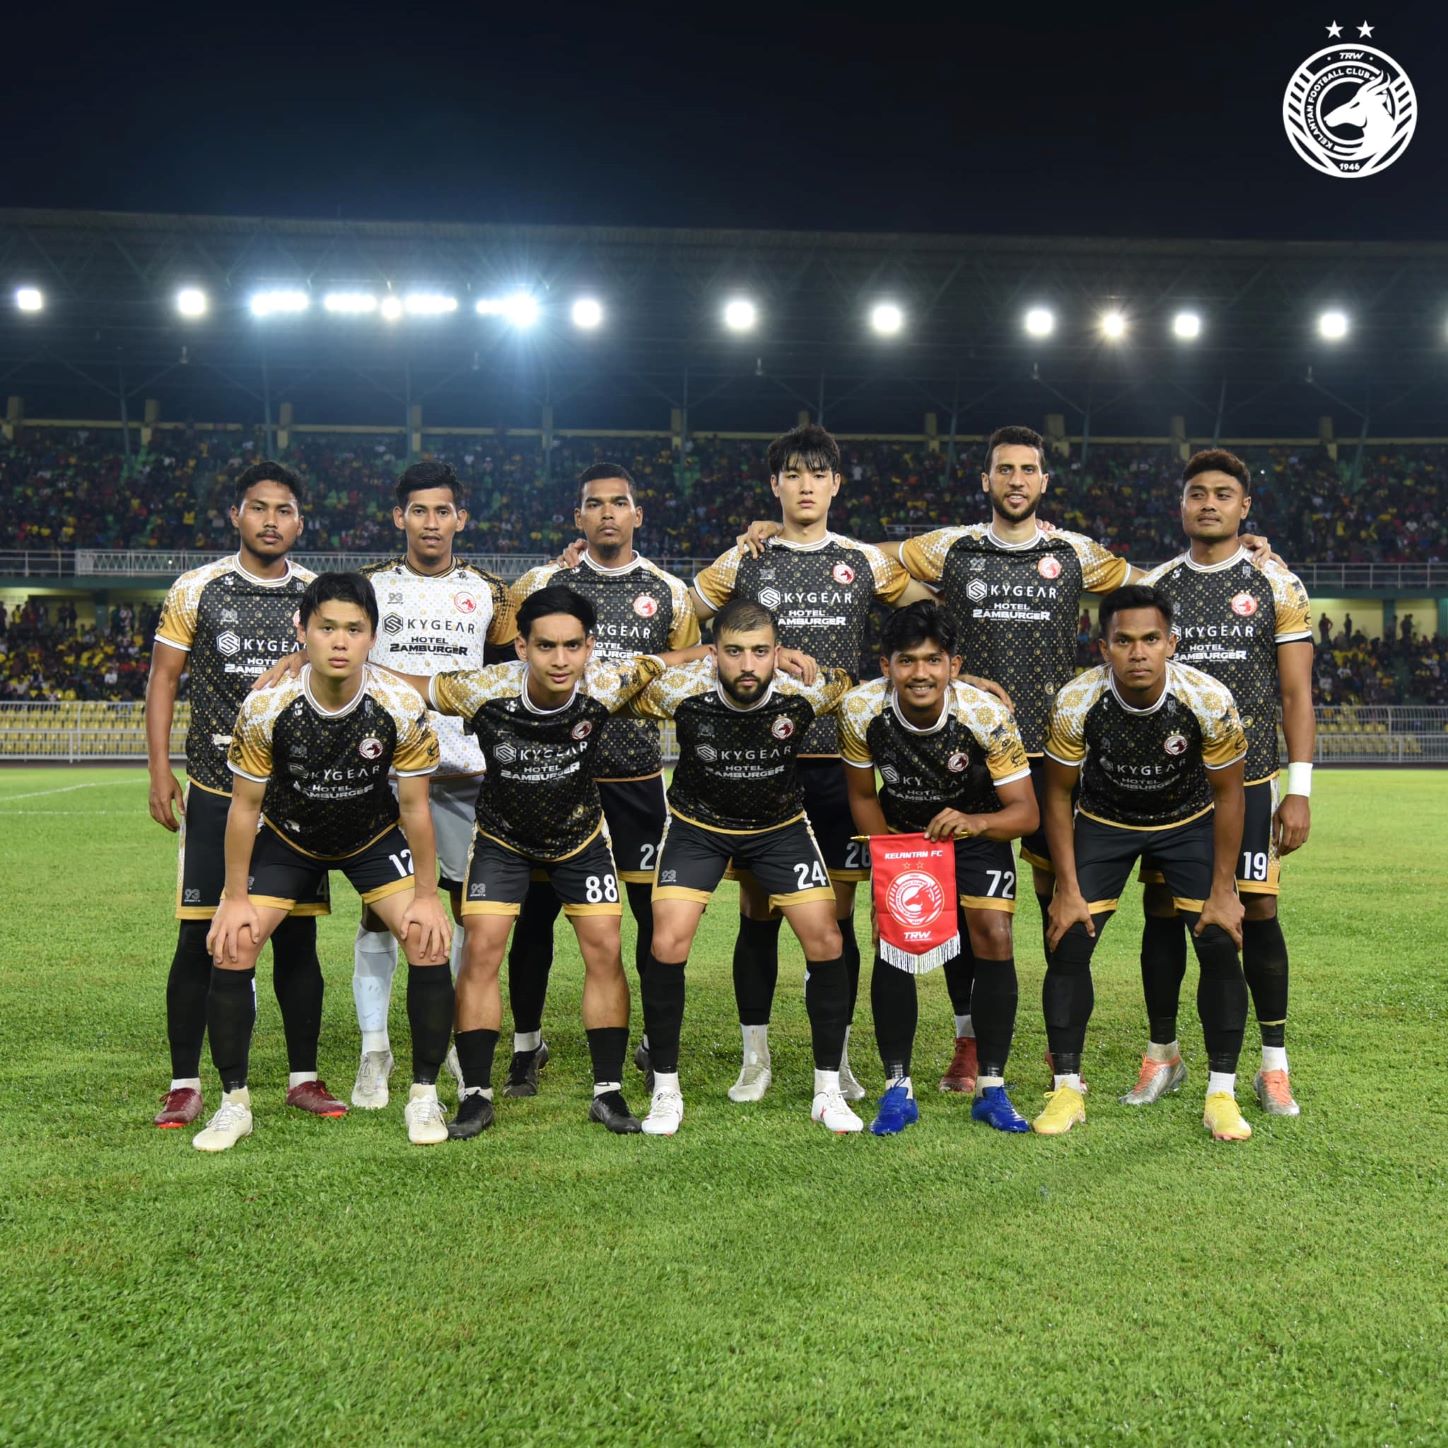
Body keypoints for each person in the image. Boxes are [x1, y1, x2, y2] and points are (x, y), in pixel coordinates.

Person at [383, 586, 694, 1140]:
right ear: (522, 647)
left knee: (605, 947)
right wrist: (324, 661)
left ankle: (607, 1091)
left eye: (572, 645)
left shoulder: (606, 682)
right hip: (502, 839)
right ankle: (476, 1096)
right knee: (481, 948)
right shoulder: (486, 689)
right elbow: (409, 686)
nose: (560, 659)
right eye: (546, 646)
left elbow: (671, 659)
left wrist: (728, 650)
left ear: (589, 647)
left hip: (580, 837)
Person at [690, 423, 932, 1106]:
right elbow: (681, 614)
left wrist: (960, 672)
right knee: (759, 911)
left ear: (835, 484)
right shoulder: (746, 559)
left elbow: (930, 605)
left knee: (837, 915)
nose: (805, 485)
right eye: (792, 474)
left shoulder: (862, 561)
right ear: (775, 485)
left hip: (839, 765)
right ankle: (755, 1057)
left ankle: (841, 1056)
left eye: (817, 474)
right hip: (760, 763)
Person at [198, 572, 454, 1151]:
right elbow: (245, 808)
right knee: (234, 945)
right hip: (290, 839)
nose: (340, 641)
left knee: (428, 942)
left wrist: (426, 895)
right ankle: (234, 1104)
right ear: (303, 631)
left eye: (354, 630)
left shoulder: (399, 703)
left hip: (371, 836)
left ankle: (423, 1095)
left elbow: (415, 807)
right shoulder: (267, 705)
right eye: (327, 628)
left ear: (373, 637)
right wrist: (234, 899)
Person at [145, 461, 335, 1130]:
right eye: (259, 508)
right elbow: (164, 679)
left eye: (284, 510)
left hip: (293, 797)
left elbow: (347, 662)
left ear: (300, 522)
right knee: (198, 936)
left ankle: (303, 1078)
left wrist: (306, 657)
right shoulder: (197, 588)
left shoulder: (315, 596)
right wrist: (159, 770)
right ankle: (184, 1083)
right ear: (236, 515)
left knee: (297, 940)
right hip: (216, 787)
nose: (271, 521)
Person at [625, 598, 858, 1137]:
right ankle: (665, 1090)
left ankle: (827, 1090)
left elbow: (859, 686)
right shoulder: (680, 692)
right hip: (697, 827)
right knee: (667, 941)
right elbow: (620, 682)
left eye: (759, 652)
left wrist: (968, 685)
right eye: (734, 652)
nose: (747, 665)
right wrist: (683, 657)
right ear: (715, 654)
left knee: (826, 939)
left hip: (779, 828)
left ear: (777, 653)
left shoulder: (805, 691)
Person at [505, 462, 699, 1098]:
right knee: (535, 919)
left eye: (619, 503)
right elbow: (504, 649)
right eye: (595, 504)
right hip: (551, 779)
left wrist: (643, 666)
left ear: (637, 514)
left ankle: (651, 1042)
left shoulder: (669, 591)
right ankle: (526, 1045)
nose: (608, 513)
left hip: (634, 781)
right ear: (579, 517)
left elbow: (686, 673)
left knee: (649, 917)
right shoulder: (545, 582)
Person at [1131, 449, 1314, 1115]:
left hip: (1253, 779)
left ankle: (1274, 1066)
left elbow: (1296, 694)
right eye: (1197, 493)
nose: (1209, 503)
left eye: (1223, 494)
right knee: (1161, 912)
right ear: (1181, 504)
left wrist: (1300, 790)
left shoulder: (1276, 583)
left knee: (1258, 910)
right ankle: (1163, 1055)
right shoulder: (1155, 586)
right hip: (1171, 788)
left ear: (1245, 506)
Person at [1038, 584, 1253, 1142]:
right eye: (1124, 641)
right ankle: (1066, 1090)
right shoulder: (1076, 701)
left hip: (1187, 821)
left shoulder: (1207, 699)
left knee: (1217, 938)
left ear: (1171, 643)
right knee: (1069, 938)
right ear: (1104, 647)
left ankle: (1221, 1095)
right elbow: (1056, 794)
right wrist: (1066, 887)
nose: (1138, 653)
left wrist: (1224, 888)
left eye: (1151, 639)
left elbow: (1230, 793)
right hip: (1105, 821)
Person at [350, 459, 517, 1109]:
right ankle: (375, 1050)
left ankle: (447, 1034)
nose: (430, 522)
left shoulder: (491, 593)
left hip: (464, 775)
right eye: (418, 510)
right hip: (385, 774)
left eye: (442, 511)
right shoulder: (370, 587)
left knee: (465, 914)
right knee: (379, 913)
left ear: (460, 519)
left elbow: (511, 671)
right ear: (400, 517)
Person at [839, 602, 1037, 1135]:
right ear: (886, 666)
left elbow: (1025, 812)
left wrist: (975, 822)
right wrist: (890, 862)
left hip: (975, 830)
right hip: (903, 836)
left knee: (993, 933)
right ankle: (897, 1089)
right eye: (907, 661)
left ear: (954, 665)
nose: (920, 673)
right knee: (894, 940)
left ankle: (992, 1088)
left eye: (933, 660)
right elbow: (862, 795)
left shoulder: (985, 714)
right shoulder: (860, 710)